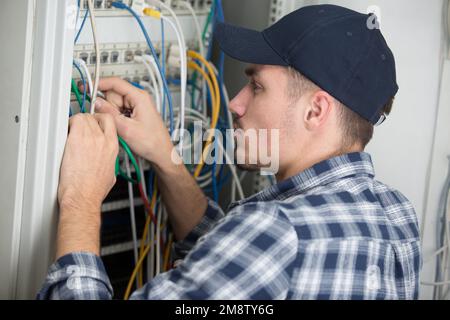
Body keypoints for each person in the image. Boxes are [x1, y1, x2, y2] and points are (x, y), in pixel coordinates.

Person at [38, 4, 421, 300]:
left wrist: (80, 203)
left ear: (315, 110)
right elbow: (229, 255)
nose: (235, 103)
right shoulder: (396, 214)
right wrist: (164, 156)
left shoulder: (276, 233)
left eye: (256, 87)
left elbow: (258, 249)